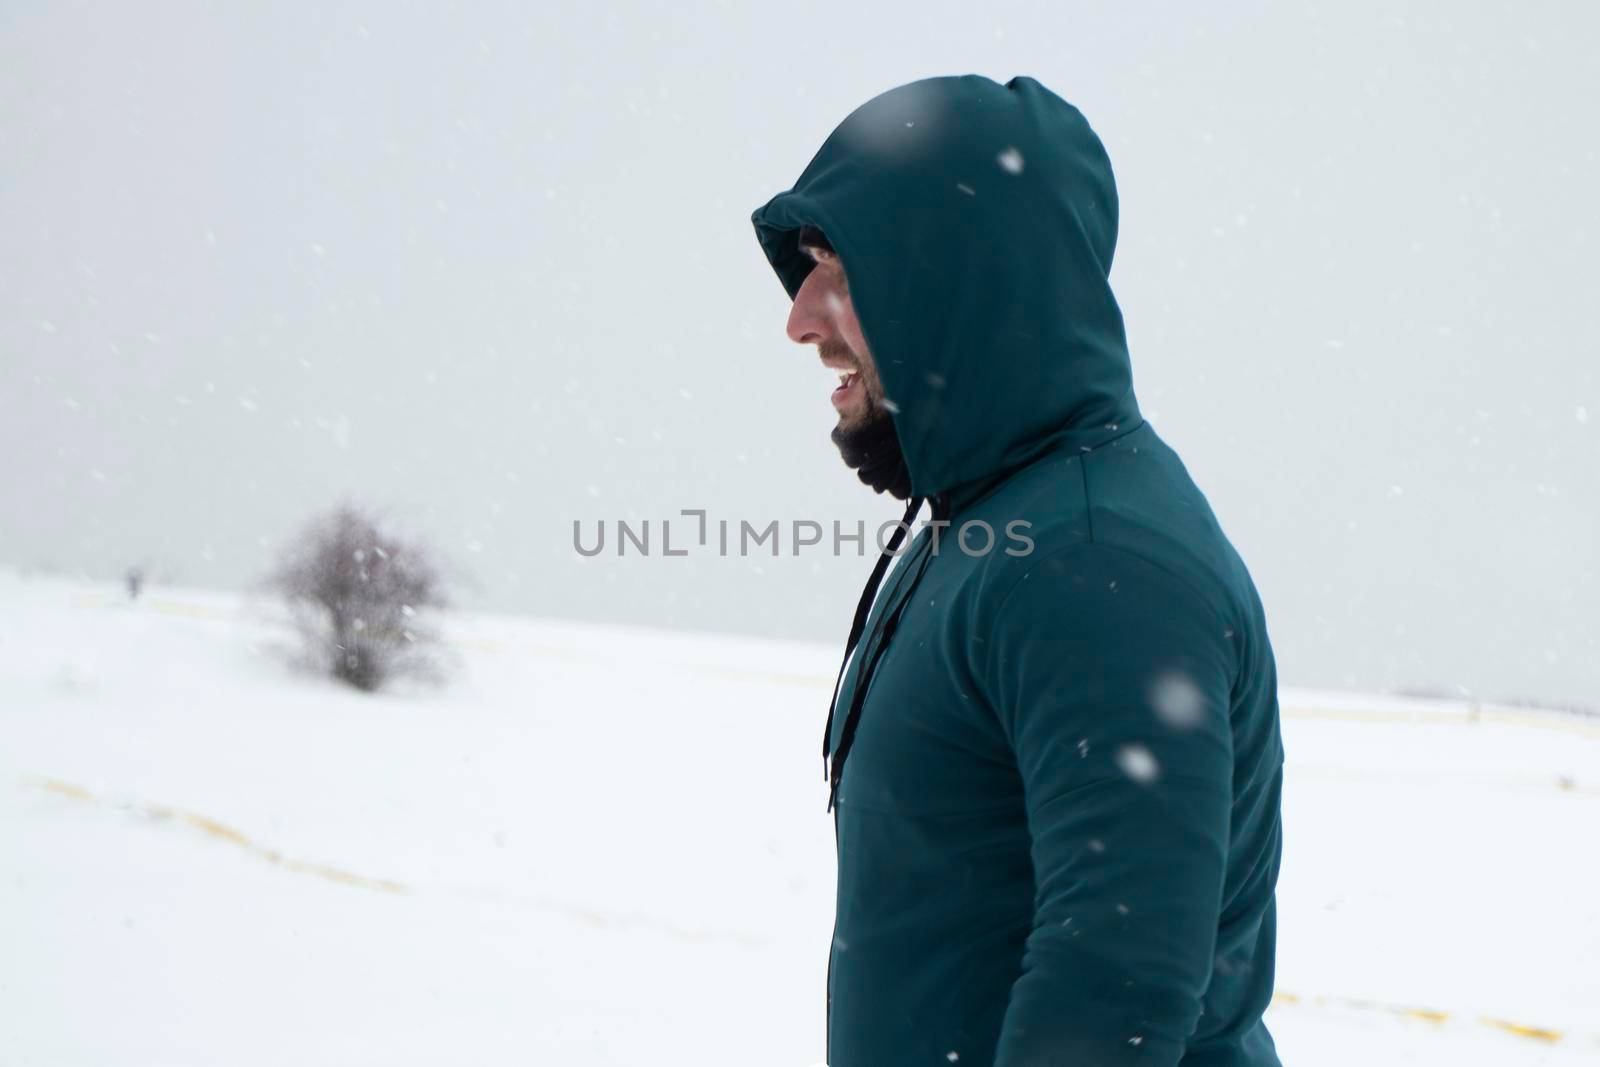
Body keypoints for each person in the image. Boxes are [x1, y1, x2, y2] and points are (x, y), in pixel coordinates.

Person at [750, 74, 1285, 1066]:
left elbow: (1112, 992)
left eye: (841, 269)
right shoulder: (992, 523)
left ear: (957, 286)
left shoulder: (1088, 560)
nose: (800, 316)